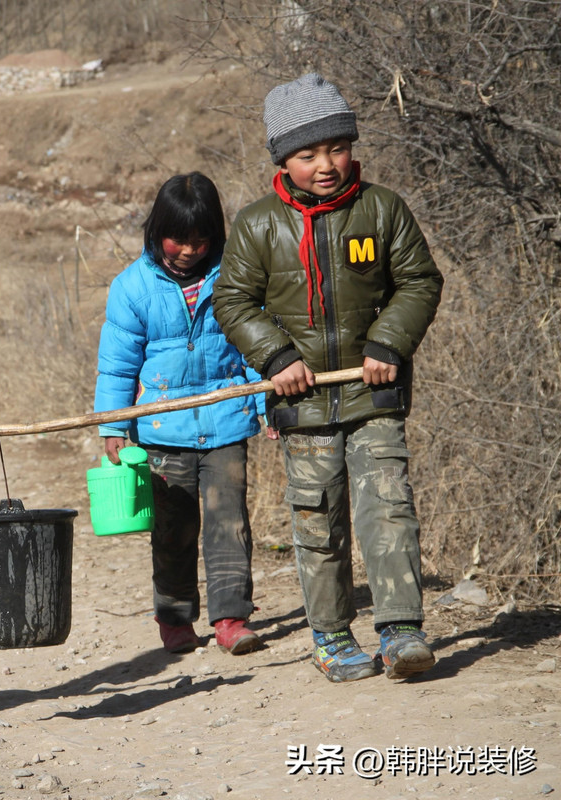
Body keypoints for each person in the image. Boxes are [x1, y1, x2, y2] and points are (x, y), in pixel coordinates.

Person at [213, 73, 444, 683]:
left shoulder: (382, 209)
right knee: (318, 521)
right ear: (282, 160)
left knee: (389, 507)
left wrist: (389, 341)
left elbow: (420, 282)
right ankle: (331, 635)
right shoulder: (257, 226)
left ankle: (400, 630)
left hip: (376, 396)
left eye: (336, 148)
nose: (325, 165)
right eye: (307, 154)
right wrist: (276, 358)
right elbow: (232, 301)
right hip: (303, 406)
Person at [94, 172, 266, 657]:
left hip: (226, 421)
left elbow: (256, 345)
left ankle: (231, 619)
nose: (189, 250)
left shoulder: (237, 274)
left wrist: (264, 403)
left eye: (200, 239)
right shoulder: (131, 287)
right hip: (161, 430)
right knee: (172, 530)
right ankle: (174, 619)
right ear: (156, 231)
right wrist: (112, 426)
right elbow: (117, 365)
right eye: (178, 239)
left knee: (227, 523)